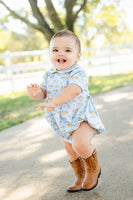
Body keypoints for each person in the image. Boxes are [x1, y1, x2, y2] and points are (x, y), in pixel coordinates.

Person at [27, 29, 105, 192]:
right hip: (63, 121)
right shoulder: (49, 74)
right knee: (71, 151)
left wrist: (54, 102)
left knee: (80, 144)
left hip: (82, 117)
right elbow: (44, 92)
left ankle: (93, 169)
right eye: (55, 50)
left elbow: (74, 90)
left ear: (78, 56)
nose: (60, 53)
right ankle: (79, 176)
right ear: (50, 54)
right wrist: (36, 94)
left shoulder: (77, 72)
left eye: (67, 50)